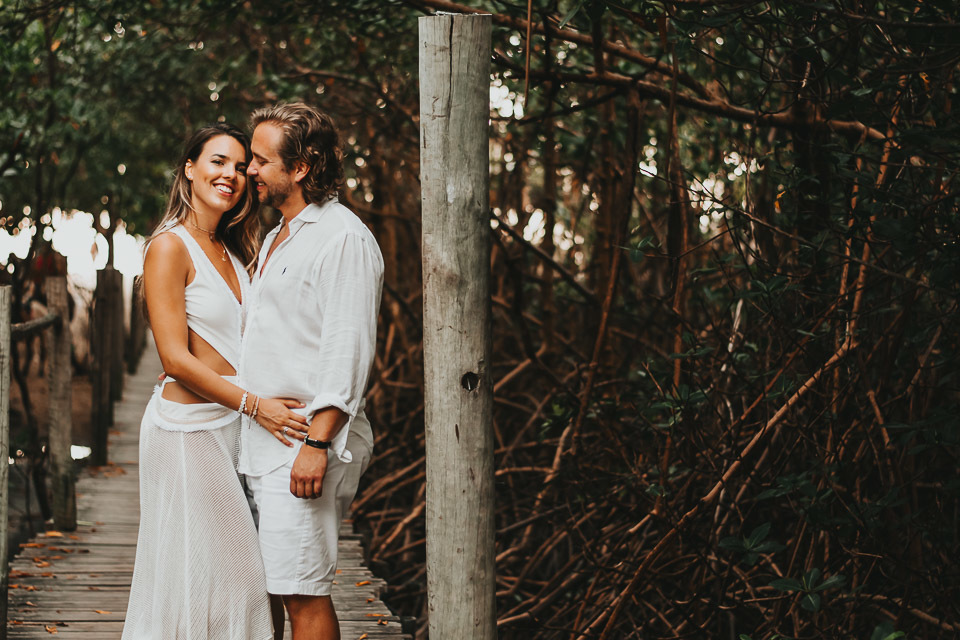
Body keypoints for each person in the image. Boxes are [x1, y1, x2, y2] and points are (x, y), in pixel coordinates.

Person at [122, 123, 311, 640]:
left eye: (239, 165)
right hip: (185, 432)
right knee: (237, 578)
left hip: (230, 428)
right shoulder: (169, 247)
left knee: (220, 578)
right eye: (217, 161)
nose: (230, 174)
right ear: (189, 168)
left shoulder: (230, 248)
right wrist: (258, 405)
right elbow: (176, 360)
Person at [239, 103, 383, 640]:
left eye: (260, 159)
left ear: (301, 167)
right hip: (267, 440)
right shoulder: (282, 232)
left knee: (303, 590)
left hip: (305, 442)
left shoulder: (341, 238)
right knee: (276, 584)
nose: (248, 170)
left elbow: (347, 350)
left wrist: (317, 445)